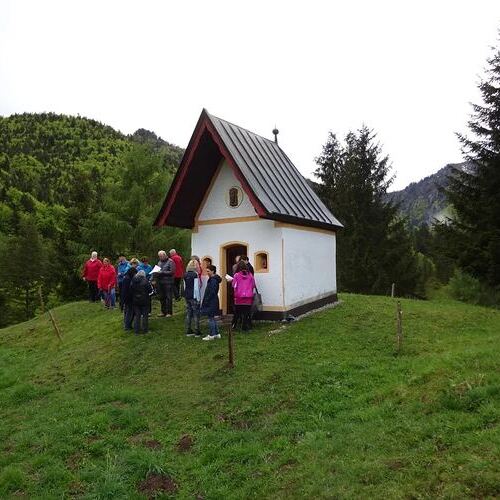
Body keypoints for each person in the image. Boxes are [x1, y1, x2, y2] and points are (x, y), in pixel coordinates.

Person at [231, 260, 256, 331]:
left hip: (239, 296)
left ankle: (234, 326)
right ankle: (245, 327)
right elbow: (253, 285)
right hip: (248, 297)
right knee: (246, 313)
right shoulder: (250, 275)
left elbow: (234, 285)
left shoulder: (236, 275)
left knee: (237, 312)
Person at [200, 264, 222, 340]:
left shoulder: (213, 280)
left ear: (212, 271)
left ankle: (212, 335)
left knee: (210, 318)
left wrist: (207, 300)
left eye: (208, 271)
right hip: (213, 300)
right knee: (212, 317)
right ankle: (217, 333)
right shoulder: (214, 279)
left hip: (211, 301)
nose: (207, 273)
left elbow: (212, 292)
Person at [153, 250, 176, 317]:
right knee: (162, 297)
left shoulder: (171, 261)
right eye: (159, 256)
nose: (160, 258)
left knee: (168, 297)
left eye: (161, 256)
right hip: (160, 282)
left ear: (165, 255)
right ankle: (163, 312)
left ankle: (169, 312)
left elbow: (172, 272)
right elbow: (157, 270)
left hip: (168, 282)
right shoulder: (159, 262)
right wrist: (154, 275)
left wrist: (162, 272)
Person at [130, 270, 153, 334]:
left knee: (137, 315)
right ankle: (145, 330)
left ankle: (136, 330)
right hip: (144, 300)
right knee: (145, 316)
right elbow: (150, 290)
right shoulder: (146, 281)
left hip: (135, 300)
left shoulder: (133, 281)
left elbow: (131, 290)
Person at [183, 260, 201, 337]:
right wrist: (198, 298)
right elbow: (196, 287)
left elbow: (184, 286)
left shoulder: (185, 274)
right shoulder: (195, 275)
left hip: (187, 295)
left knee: (189, 313)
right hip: (194, 296)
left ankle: (188, 330)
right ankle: (197, 331)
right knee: (196, 314)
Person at [121, 266, 138, 331]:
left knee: (127, 312)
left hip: (126, 298)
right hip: (129, 298)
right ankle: (127, 326)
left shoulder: (126, 278)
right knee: (129, 312)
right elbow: (129, 290)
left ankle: (127, 325)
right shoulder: (128, 279)